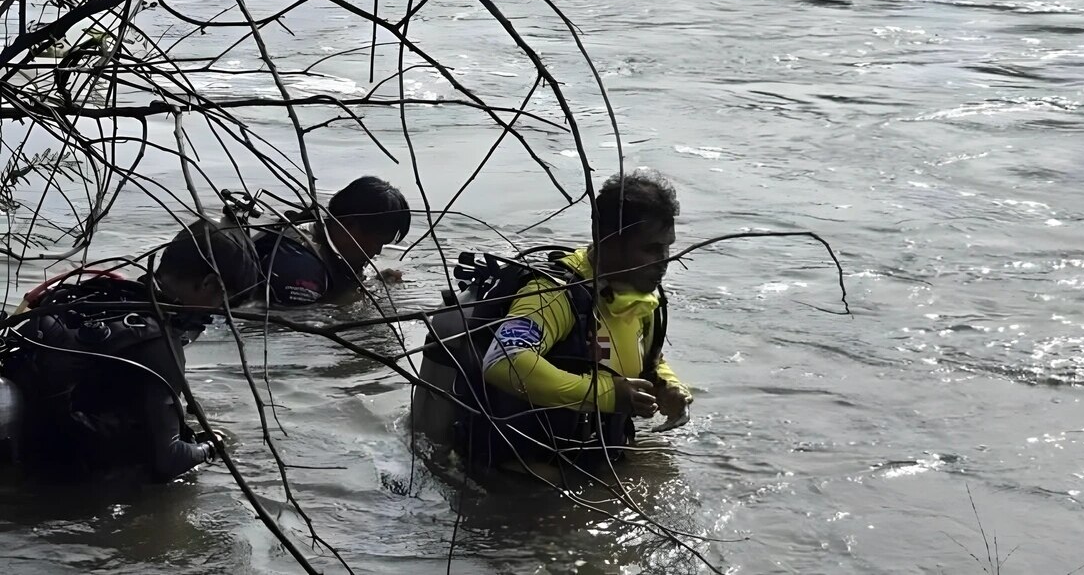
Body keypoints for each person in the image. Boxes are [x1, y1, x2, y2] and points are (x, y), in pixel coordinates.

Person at [414, 169, 692, 473]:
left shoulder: (639, 294)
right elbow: (503, 360)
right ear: (607, 239)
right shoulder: (554, 294)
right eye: (651, 249)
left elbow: (646, 357)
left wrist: (667, 385)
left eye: (668, 247)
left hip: (593, 460)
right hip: (525, 478)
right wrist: (606, 394)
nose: (666, 260)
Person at [0, 214, 260, 482]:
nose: (219, 311)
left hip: (30, 451)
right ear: (209, 283)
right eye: (223, 300)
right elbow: (170, 460)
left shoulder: (98, 297)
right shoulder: (158, 342)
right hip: (68, 483)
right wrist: (213, 446)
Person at [254, 176, 411, 307]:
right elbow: (292, 324)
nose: (377, 251)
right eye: (377, 242)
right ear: (349, 225)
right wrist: (359, 297)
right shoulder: (301, 266)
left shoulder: (326, 238)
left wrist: (373, 283)